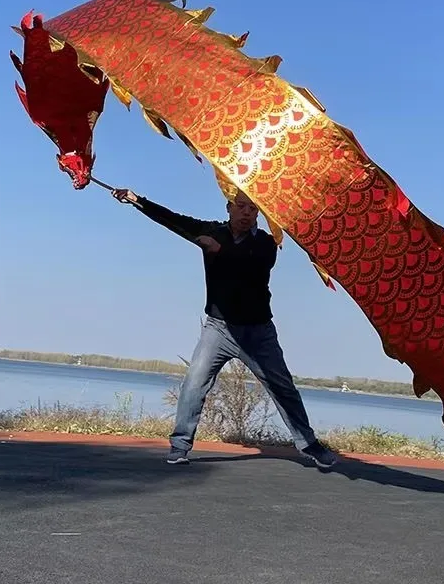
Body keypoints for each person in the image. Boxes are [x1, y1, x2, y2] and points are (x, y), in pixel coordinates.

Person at [111, 187, 337, 469]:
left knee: (283, 387)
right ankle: (179, 446)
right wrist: (137, 201)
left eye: (253, 209)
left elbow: (253, 266)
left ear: (258, 214)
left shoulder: (266, 244)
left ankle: (310, 445)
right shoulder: (211, 231)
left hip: (258, 332)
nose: (247, 213)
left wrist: (221, 251)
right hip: (219, 329)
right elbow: (174, 220)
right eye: (241, 206)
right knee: (194, 383)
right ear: (229, 207)